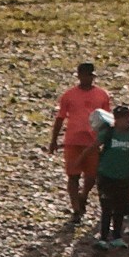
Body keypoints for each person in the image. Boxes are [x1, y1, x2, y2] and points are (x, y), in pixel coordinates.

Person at [49, 62, 113, 219]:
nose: (87, 79)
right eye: (84, 75)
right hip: (73, 140)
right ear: (79, 76)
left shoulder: (102, 95)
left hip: (93, 141)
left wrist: (107, 139)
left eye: (90, 76)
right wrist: (54, 139)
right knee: (73, 175)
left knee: (91, 176)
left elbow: (107, 118)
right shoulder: (69, 95)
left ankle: (83, 196)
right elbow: (60, 118)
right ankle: (76, 210)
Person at [93, 105, 129, 250]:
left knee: (120, 208)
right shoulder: (108, 133)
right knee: (107, 207)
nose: (125, 121)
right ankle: (103, 237)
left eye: (127, 118)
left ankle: (117, 237)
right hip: (107, 175)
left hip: (125, 176)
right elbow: (93, 147)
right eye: (121, 118)